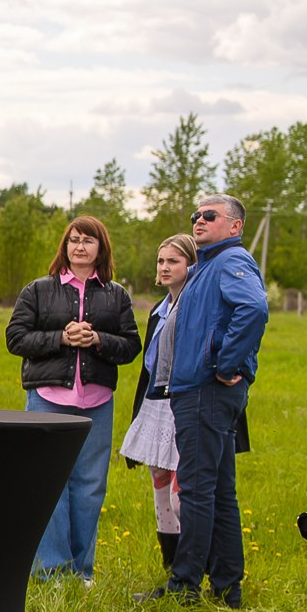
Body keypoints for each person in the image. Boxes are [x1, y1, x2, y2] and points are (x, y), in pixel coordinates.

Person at [137, 194, 268, 606]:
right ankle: (228, 587)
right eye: (195, 214)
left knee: (194, 489)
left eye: (209, 215)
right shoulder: (206, 267)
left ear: (235, 226)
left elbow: (254, 308)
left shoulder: (230, 262)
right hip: (198, 390)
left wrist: (225, 362)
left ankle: (183, 586)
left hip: (206, 390)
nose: (199, 220)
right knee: (218, 491)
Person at [6, 215, 139, 582]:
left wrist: (98, 340)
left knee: (90, 487)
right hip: (48, 399)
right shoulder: (38, 290)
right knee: (49, 485)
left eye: (88, 240)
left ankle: (82, 572)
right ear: (65, 246)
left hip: (96, 401)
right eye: (73, 240)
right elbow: (15, 338)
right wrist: (61, 339)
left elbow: (131, 346)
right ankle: (52, 571)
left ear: (101, 248)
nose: (79, 246)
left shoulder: (117, 295)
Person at [118, 234, 196, 572]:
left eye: (173, 261)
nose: (164, 268)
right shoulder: (158, 310)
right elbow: (148, 366)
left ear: (191, 265)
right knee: (160, 485)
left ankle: (194, 566)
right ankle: (171, 566)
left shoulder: (195, 305)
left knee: (183, 495)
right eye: (161, 261)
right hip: (156, 401)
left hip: (184, 402)